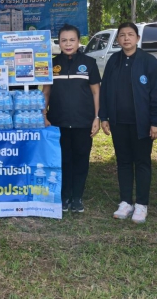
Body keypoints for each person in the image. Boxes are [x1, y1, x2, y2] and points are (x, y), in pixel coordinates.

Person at [99, 22, 157, 224]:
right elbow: (105, 90)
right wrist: (104, 117)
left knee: (142, 162)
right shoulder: (113, 61)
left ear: (137, 38)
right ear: (118, 40)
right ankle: (126, 202)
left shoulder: (150, 62)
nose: (126, 38)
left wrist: (156, 122)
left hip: (142, 124)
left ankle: (141, 204)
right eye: (122, 35)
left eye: (130, 34)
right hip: (118, 122)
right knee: (123, 162)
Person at [43, 24, 100, 214]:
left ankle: (77, 197)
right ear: (59, 42)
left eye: (72, 40)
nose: (68, 44)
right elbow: (46, 92)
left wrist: (97, 117)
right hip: (57, 121)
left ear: (79, 41)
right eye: (64, 40)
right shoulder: (51, 64)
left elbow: (96, 92)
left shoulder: (89, 63)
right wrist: (43, 114)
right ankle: (64, 196)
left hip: (83, 122)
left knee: (81, 159)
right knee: (63, 160)